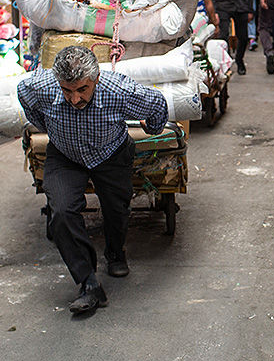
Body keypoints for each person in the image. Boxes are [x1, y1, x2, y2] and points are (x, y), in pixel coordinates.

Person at [17, 45, 168, 315]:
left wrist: (152, 127)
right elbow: (24, 96)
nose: (74, 99)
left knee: (117, 208)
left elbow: (157, 104)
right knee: (61, 212)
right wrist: (48, 127)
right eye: (67, 90)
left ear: (96, 79)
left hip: (110, 153)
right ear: (57, 82)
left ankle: (114, 252)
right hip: (65, 155)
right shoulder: (40, 86)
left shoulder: (119, 90)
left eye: (82, 90)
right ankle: (88, 282)